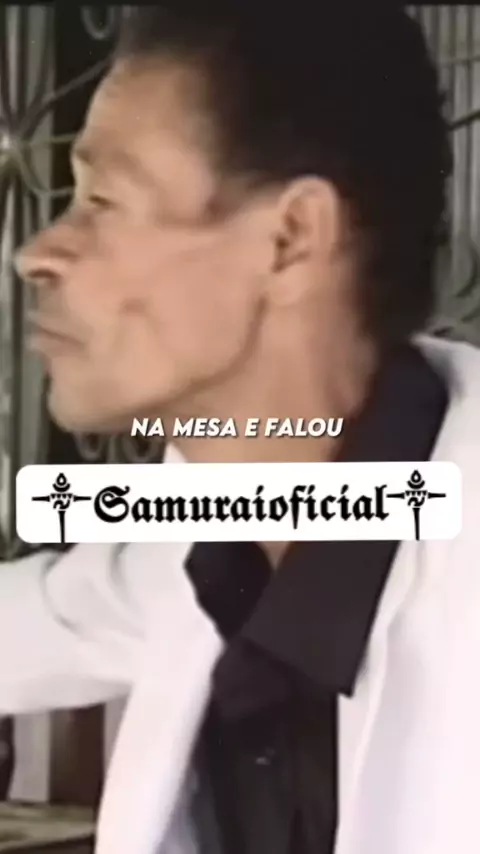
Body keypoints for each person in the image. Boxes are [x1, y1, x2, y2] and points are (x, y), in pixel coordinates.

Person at [3, 2, 480, 853]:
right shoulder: (221, 536)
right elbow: (38, 622)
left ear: (290, 240)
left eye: (105, 199)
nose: (36, 254)